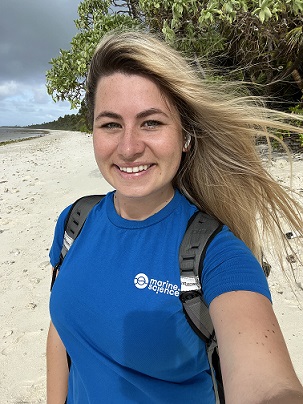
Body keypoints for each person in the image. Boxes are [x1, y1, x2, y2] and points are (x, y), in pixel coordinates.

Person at [47, 30, 303, 403]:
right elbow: (61, 331)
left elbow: (268, 387)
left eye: (151, 122)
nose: (129, 147)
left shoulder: (217, 256)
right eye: (111, 124)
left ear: (185, 136)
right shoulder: (75, 222)